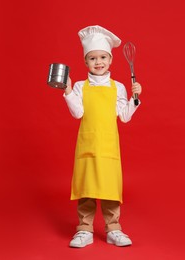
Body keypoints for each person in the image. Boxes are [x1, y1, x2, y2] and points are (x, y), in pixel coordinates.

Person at [63, 25, 142, 248]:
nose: (98, 62)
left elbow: (124, 117)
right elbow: (77, 112)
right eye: (92, 58)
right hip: (87, 147)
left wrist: (134, 99)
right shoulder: (80, 86)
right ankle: (84, 230)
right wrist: (68, 91)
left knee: (110, 190)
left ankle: (113, 229)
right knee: (86, 190)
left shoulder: (118, 88)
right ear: (85, 62)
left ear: (110, 59)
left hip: (108, 148)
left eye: (103, 57)